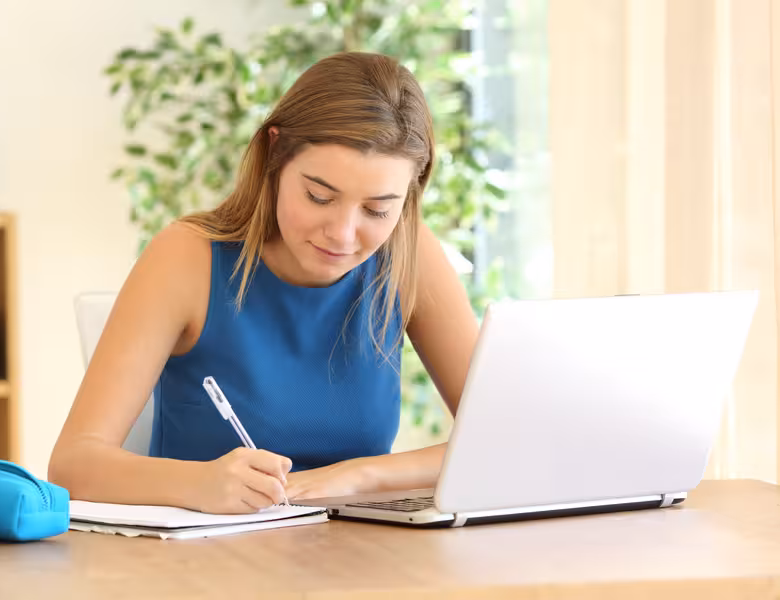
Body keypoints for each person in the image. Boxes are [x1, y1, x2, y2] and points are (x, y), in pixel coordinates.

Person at [49, 51, 479, 514]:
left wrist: (354, 476)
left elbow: (507, 440)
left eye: (377, 210)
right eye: (319, 196)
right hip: (208, 552)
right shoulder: (187, 257)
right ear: (276, 151)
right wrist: (198, 483)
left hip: (355, 551)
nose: (342, 233)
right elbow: (74, 465)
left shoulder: (408, 252)